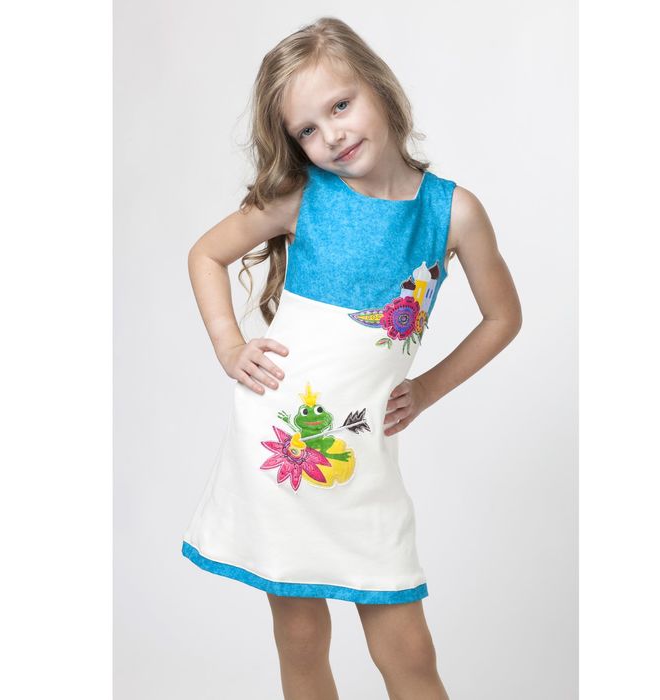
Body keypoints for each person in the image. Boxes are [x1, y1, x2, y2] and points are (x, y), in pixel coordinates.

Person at [181, 16, 522, 700]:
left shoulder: (452, 212)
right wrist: (229, 344)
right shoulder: (303, 196)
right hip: (282, 448)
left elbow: (502, 317)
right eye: (308, 129)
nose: (331, 135)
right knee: (302, 637)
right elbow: (206, 254)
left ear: (378, 86)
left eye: (340, 105)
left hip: (362, 460)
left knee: (408, 650)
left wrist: (426, 389)